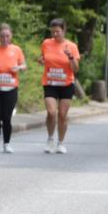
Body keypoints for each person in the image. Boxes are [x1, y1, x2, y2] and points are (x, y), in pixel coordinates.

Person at [38, 18, 80, 154]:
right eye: (53, 32)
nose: (55, 35)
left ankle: (61, 143)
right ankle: (50, 139)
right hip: (50, 82)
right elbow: (43, 58)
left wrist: (71, 58)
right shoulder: (46, 43)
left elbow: (75, 69)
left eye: (57, 32)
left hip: (66, 83)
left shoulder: (71, 46)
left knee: (62, 114)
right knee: (51, 112)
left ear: (64, 30)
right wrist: (41, 60)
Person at [0, 24, 26, 154]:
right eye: (2, 36)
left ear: (11, 36)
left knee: (6, 118)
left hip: (11, 89)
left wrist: (18, 68)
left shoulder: (16, 50)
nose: (5, 38)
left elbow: (24, 65)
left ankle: (6, 144)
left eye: (7, 36)